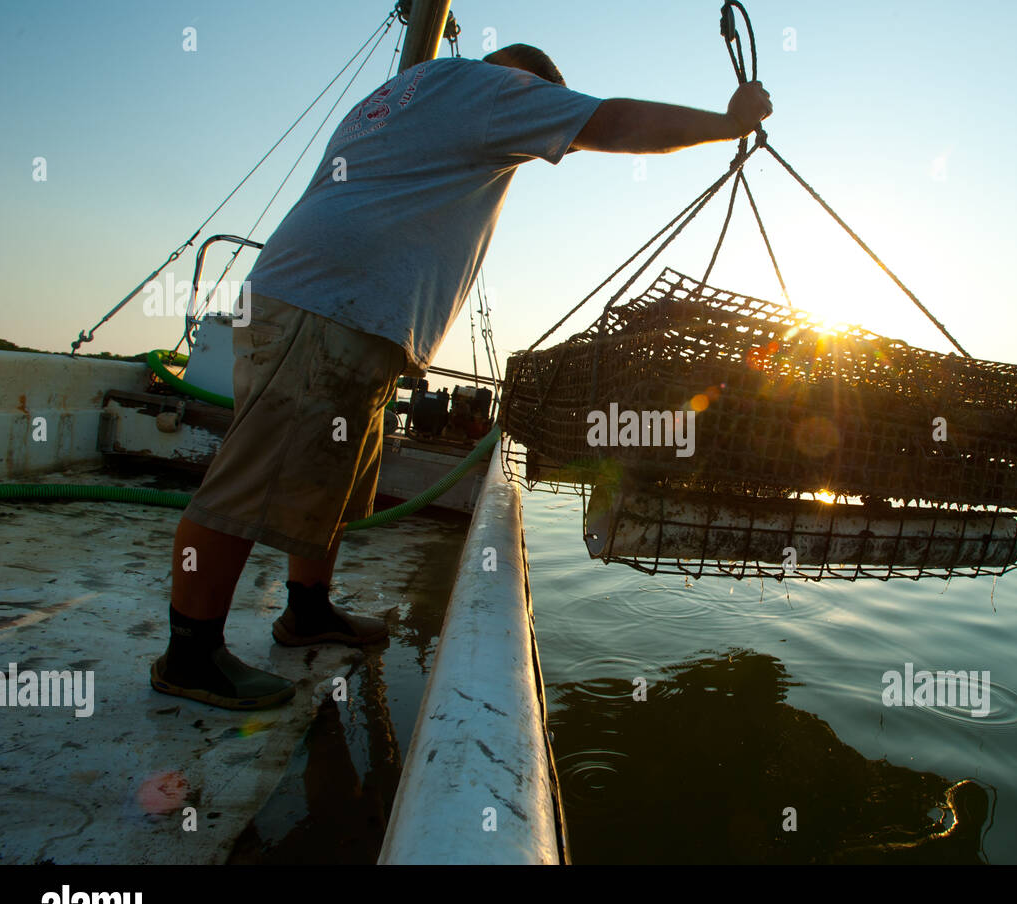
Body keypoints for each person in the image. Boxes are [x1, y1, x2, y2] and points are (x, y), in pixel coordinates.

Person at [151, 43, 773, 709]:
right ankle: (191, 652)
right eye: (543, 107)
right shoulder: (493, 88)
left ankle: (307, 609)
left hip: (339, 309)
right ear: (526, 81)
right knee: (252, 477)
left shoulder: (414, 90)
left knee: (330, 473)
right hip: (324, 304)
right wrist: (727, 124)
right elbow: (613, 123)